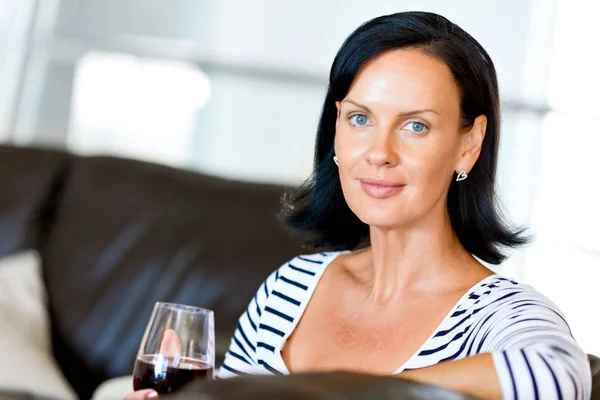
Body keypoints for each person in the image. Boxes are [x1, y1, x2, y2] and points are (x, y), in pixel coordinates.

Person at [127, 11, 592, 400]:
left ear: (468, 145)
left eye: (415, 126)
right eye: (360, 118)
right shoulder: (289, 290)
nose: (379, 151)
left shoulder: (499, 315)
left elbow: (557, 377)